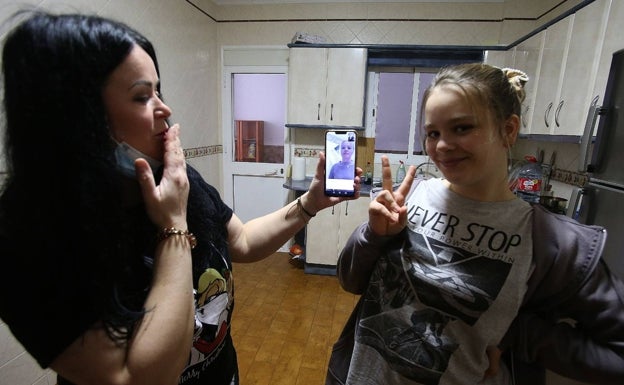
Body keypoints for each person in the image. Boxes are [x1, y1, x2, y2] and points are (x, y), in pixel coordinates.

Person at [0, 11, 360, 385]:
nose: (164, 108)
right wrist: (172, 226)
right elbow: (138, 379)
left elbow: (244, 240)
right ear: (75, 115)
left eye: (159, 91)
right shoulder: (28, 237)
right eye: (142, 96)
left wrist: (310, 203)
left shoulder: (177, 178)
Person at [326, 63, 624, 385]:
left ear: (508, 130)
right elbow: (351, 281)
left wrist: (517, 333)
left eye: (462, 128)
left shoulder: (552, 242)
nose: (442, 145)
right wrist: (373, 236)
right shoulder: (410, 199)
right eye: (433, 133)